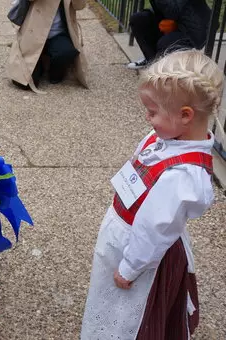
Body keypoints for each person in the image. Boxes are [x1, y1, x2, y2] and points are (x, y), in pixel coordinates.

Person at [81, 49, 224, 339]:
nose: (148, 118)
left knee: (129, 314)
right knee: (109, 301)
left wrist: (131, 268)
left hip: (141, 253)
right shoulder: (166, 138)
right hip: (126, 236)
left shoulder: (183, 176)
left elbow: (155, 227)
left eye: (153, 111)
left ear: (186, 115)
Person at [7, 0, 88, 91]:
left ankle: (54, 74)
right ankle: (40, 63)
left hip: (58, 33)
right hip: (34, 33)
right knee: (24, 83)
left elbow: (79, 6)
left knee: (66, 53)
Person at [127, 0, 211, 70]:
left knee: (165, 42)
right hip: (173, 22)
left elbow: (173, 11)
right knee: (138, 19)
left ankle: (167, 70)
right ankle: (151, 61)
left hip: (193, 30)